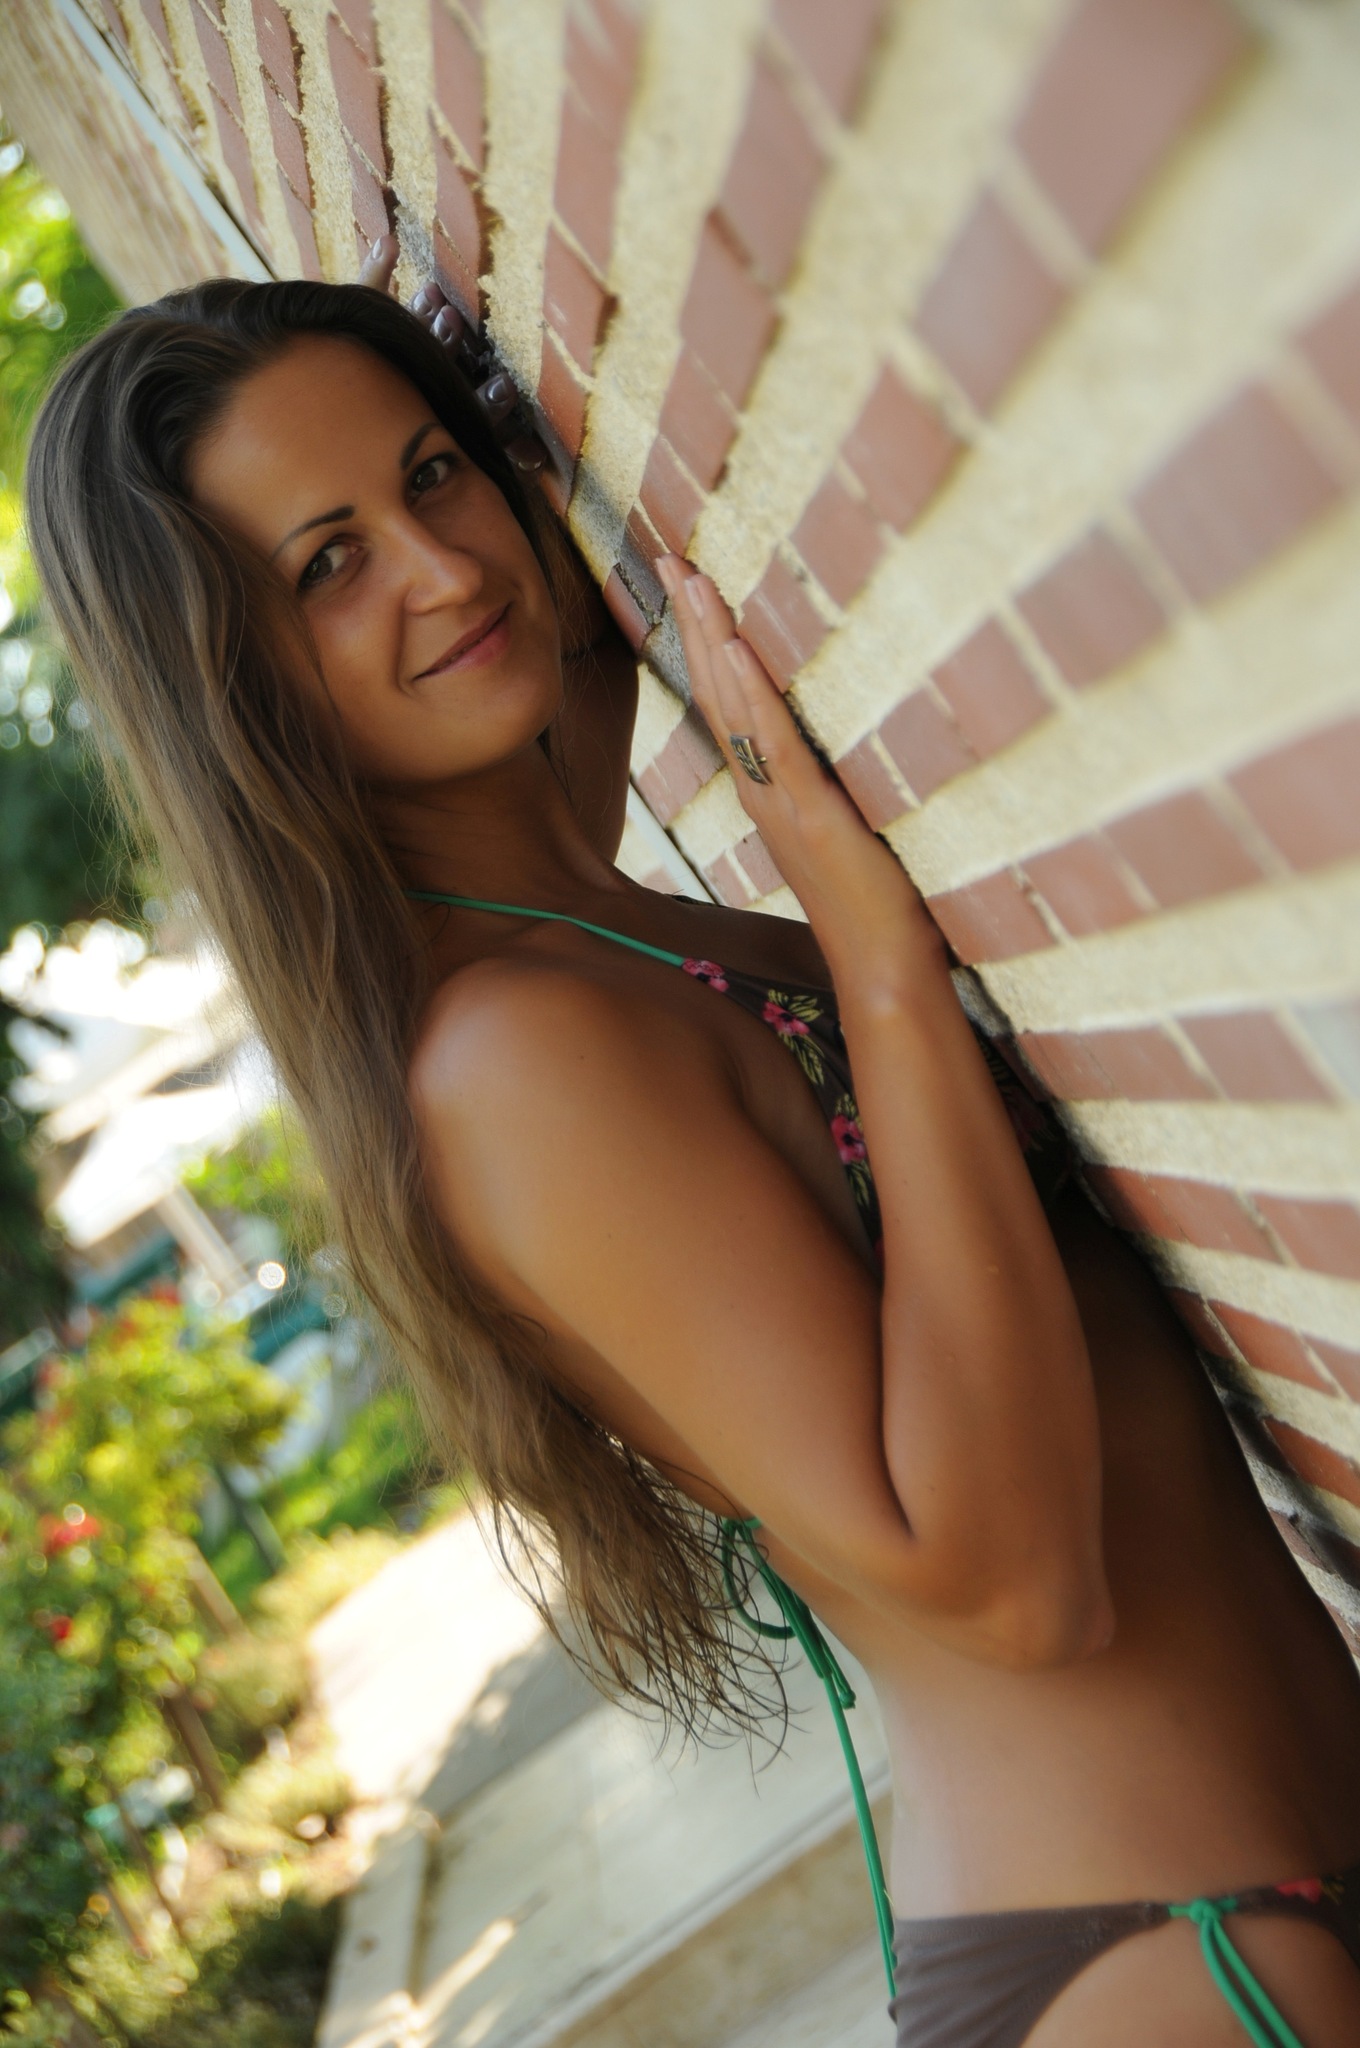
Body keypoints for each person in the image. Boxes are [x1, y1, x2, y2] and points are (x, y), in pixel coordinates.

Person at [25, 240, 1360, 2047]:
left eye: (432, 477)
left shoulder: (572, 913)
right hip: (1183, 1966)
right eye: (328, 565)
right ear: (228, 685)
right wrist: (878, 959)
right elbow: (1011, 1588)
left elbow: (567, 643)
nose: (442, 569)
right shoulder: (518, 1055)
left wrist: (515, 411)